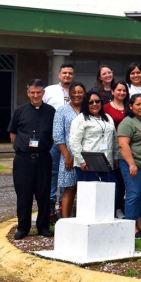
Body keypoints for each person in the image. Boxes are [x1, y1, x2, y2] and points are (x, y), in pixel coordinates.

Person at [8, 79, 56, 240]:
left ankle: (43, 226)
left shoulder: (51, 111)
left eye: (39, 92)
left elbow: (53, 134)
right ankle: (23, 227)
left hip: (43, 158)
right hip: (23, 159)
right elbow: (13, 133)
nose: (36, 95)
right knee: (24, 194)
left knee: (43, 193)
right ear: (28, 93)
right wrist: (24, 147)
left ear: (43, 93)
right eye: (32, 92)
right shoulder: (19, 111)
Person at [117, 93, 141, 239]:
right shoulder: (128, 122)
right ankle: (130, 227)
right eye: (138, 104)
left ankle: (139, 224)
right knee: (133, 196)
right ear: (131, 106)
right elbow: (123, 144)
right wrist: (131, 164)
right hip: (134, 165)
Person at [43, 63, 75, 218]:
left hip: (71, 142)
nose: (67, 75)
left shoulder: (76, 91)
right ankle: (50, 204)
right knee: (53, 171)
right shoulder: (49, 90)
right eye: (64, 73)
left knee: (68, 174)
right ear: (59, 75)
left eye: (70, 73)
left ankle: (64, 205)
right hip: (53, 139)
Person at [52, 82, 86, 218]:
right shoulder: (62, 110)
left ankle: (82, 218)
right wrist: (66, 156)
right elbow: (58, 135)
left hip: (87, 155)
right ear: (69, 94)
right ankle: (65, 220)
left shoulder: (88, 109)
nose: (77, 95)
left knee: (85, 188)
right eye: (74, 92)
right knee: (70, 188)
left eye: (80, 92)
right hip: (69, 155)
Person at [70, 90, 119, 182]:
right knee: (90, 195)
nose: (94, 104)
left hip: (107, 162)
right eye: (90, 102)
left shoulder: (108, 118)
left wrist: (116, 156)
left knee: (109, 194)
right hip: (88, 165)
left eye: (97, 101)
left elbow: (114, 139)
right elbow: (74, 142)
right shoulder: (80, 119)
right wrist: (81, 161)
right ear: (86, 104)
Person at [103, 80, 129, 218]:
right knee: (114, 182)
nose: (121, 93)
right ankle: (114, 208)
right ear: (112, 91)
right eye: (118, 90)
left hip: (128, 150)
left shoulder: (129, 107)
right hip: (112, 149)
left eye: (124, 90)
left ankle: (120, 207)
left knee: (124, 180)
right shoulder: (106, 108)